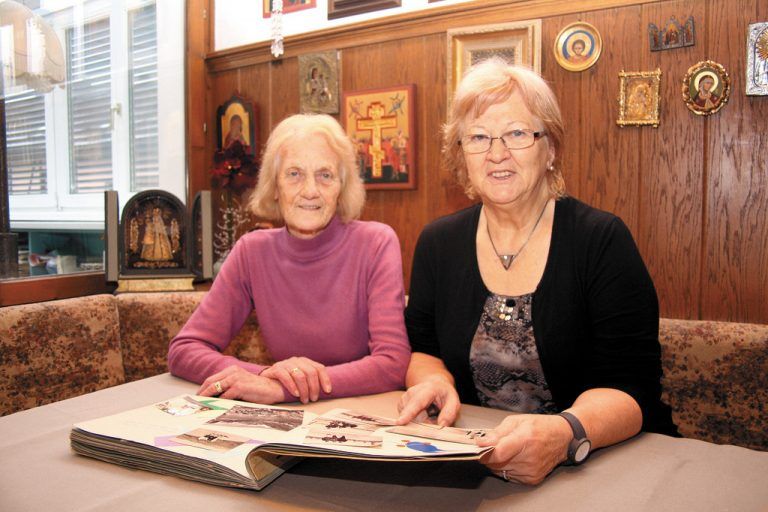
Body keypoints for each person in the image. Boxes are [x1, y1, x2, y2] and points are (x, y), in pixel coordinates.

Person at [397, 58, 678, 485]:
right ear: (461, 156)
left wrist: (566, 433)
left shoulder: (601, 240)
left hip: (601, 463)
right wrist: (433, 382)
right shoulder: (438, 242)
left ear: (550, 148)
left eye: (516, 133)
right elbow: (425, 349)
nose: (496, 153)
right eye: (478, 137)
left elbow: (632, 385)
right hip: (479, 463)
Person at [168, 114, 410, 405]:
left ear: (342, 187)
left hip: (361, 414)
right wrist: (266, 375)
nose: (310, 191)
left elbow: (393, 363)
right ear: (275, 185)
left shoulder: (376, 243)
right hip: (289, 423)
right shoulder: (251, 251)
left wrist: (285, 388)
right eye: (294, 174)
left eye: (325, 175)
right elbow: (184, 350)